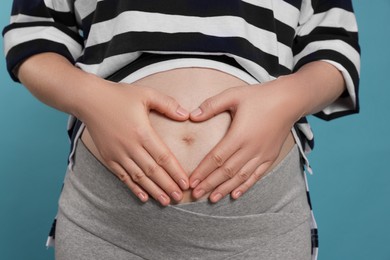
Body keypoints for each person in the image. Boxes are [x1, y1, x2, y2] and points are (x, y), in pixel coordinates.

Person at [3, 1, 360, 259]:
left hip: (256, 220)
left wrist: (284, 101)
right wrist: (91, 98)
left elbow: (333, 45)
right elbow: (33, 35)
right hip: (109, 220)